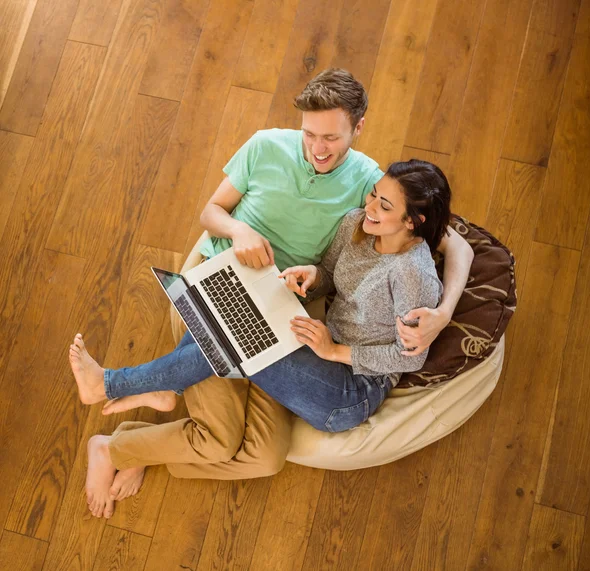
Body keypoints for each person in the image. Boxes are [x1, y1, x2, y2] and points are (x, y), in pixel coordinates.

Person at [70, 69, 474, 519]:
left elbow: (452, 248)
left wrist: (438, 313)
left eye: (332, 138)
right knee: (240, 434)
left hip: (334, 367)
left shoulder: (380, 206)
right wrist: (309, 274)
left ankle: (138, 390)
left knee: (259, 427)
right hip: (233, 284)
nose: (318, 149)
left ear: (358, 129)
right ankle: (128, 432)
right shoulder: (335, 203)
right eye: (309, 134)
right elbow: (309, 262)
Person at [92, 159, 449, 435]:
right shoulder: (356, 224)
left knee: (240, 337)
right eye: (373, 194)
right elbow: (327, 274)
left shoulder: (412, 274)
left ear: (412, 222)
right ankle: (168, 386)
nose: (370, 206)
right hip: (322, 347)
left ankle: (112, 384)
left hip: (351, 390)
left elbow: (410, 359)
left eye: (385, 206)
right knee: (241, 313)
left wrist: (334, 352)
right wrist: (312, 277)